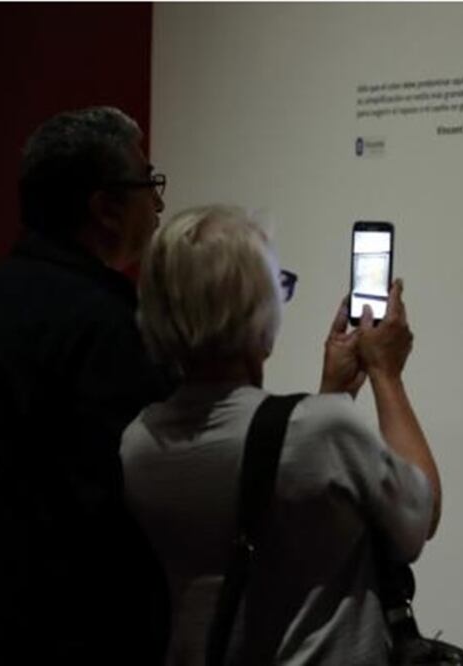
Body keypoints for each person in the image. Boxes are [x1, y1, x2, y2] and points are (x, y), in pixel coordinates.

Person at [120, 205, 441, 664]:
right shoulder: (321, 430)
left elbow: (272, 483)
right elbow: (421, 515)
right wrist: (386, 375)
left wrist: (331, 395)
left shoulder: (139, 443)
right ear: (258, 317)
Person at [0, 106, 173, 663]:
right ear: (106, 208)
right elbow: (133, 499)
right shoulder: (110, 330)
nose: (160, 203)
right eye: (150, 183)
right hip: (81, 630)